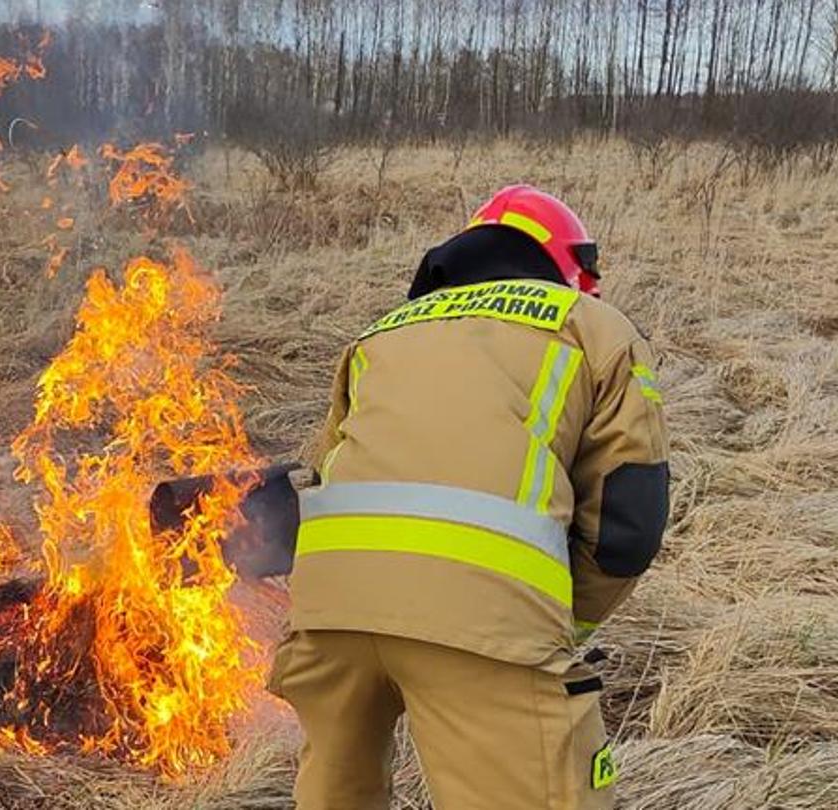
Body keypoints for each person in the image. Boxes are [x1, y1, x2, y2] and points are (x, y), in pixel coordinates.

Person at [267, 185, 670, 809]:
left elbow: (322, 476)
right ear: (569, 268)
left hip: (327, 619)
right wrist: (559, 622)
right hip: (483, 621)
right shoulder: (592, 328)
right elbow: (628, 522)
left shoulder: (381, 333)